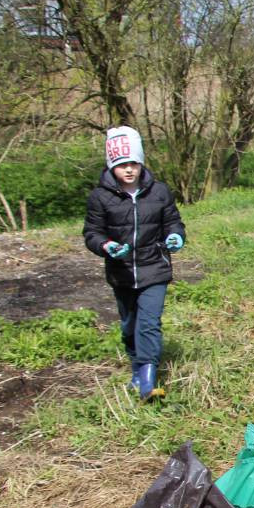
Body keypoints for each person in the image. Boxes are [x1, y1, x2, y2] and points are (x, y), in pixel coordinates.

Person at [83, 126, 186, 402]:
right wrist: (107, 247)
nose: (129, 170)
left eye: (133, 164)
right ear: (112, 166)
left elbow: (173, 222)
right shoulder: (100, 197)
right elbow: (92, 234)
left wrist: (175, 236)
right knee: (130, 325)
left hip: (155, 268)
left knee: (149, 323)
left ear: (141, 163)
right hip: (122, 273)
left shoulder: (159, 192)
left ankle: (149, 378)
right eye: (122, 165)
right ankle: (136, 369)